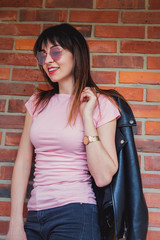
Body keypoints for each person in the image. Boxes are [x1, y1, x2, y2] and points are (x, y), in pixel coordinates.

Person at [6, 23, 121, 240]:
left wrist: (87, 116)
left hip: (76, 214)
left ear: (76, 54)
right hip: (35, 216)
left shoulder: (102, 104)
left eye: (56, 52)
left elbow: (104, 176)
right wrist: (15, 224)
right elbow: (22, 164)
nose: (48, 60)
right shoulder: (37, 103)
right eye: (42, 55)